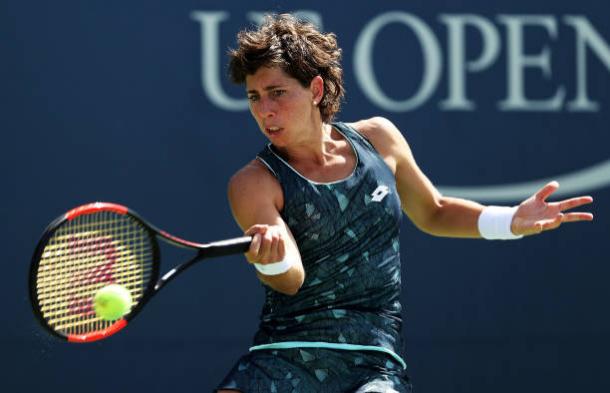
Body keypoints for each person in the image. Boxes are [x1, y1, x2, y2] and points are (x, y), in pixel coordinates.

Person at [216, 14, 594, 393]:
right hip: (283, 356)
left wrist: (511, 219)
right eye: (254, 97)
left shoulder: (379, 139)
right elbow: (290, 278)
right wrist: (272, 256)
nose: (264, 110)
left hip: (375, 362)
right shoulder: (253, 182)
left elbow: (434, 211)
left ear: (315, 89)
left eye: (277, 93)